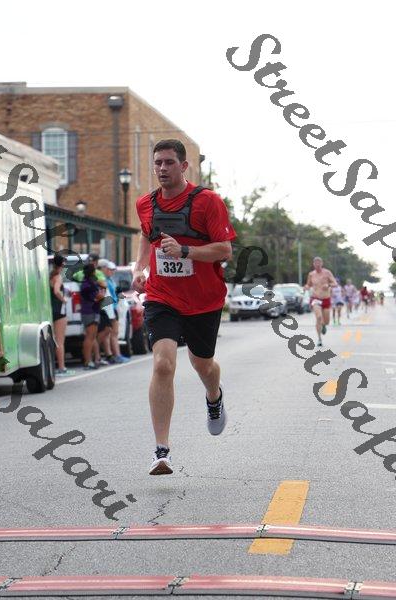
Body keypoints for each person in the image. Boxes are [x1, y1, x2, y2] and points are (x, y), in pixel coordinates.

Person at [133, 138, 236, 475]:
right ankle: (161, 451)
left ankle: (214, 396)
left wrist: (186, 251)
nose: (162, 168)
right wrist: (139, 268)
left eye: (168, 162)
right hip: (162, 295)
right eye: (157, 163)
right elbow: (146, 236)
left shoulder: (208, 202)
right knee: (163, 364)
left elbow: (224, 250)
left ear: (183, 166)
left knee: (203, 364)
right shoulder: (145, 204)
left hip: (204, 299)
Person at [97, 260, 130, 364]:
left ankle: (111, 355)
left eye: (112, 270)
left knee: (110, 333)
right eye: (109, 269)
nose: (112, 271)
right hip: (108, 309)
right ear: (103, 269)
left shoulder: (110, 280)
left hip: (113, 308)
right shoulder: (103, 280)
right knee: (111, 333)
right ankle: (115, 355)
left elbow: (115, 293)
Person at [50, 254, 75, 376]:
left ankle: (58, 367)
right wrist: (64, 299)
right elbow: (56, 291)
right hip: (60, 311)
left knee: (56, 340)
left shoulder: (50, 275)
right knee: (60, 341)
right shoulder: (58, 277)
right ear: (62, 264)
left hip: (52, 310)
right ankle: (61, 368)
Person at [304, 257, 337, 347]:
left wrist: (328, 285)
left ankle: (323, 325)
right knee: (318, 317)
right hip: (315, 298)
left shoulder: (327, 272)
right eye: (316, 263)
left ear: (322, 263)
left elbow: (335, 283)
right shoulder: (311, 274)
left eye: (319, 263)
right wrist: (306, 287)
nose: (317, 264)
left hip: (326, 299)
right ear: (313, 264)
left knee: (326, 321)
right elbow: (308, 284)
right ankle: (319, 339)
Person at [80, 263, 105, 369]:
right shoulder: (89, 284)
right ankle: (87, 361)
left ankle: (92, 360)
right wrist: (102, 293)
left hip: (91, 311)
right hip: (90, 312)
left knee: (92, 337)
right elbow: (99, 296)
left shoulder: (87, 283)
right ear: (93, 272)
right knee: (90, 337)